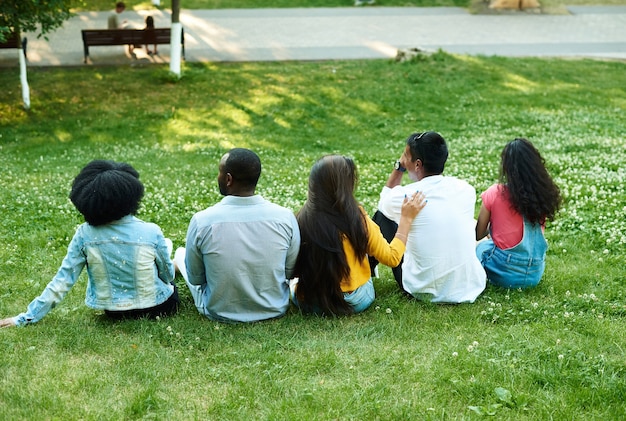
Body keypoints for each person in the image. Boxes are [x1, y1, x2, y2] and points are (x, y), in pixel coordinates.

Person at [0, 160, 179, 328]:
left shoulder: (84, 235)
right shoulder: (151, 231)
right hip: (160, 307)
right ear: (132, 196)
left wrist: (25, 318)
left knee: (161, 248)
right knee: (168, 251)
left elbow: (62, 282)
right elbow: (167, 275)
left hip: (114, 312)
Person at [173, 148, 301, 323]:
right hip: (275, 307)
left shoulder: (202, 221)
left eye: (220, 172)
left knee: (181, 253)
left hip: (218, 310)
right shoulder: (285, 217)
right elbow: (289, 270)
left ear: (228, 179)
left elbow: (196, 278)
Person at [291, 155, 426, 316]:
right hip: (356, 300)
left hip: (311, 302)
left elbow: (293, 269)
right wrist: (406, 219)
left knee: (295, 284)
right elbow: (392, 257)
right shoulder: (358, 219)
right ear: (347, 185)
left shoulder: (300, 220)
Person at [376, 131, 486, 303]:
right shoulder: (466, 189)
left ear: (418, 164)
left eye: (406, 156)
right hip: (469, 287)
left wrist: (399, 168)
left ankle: (362, 273)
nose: (404, 159)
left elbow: (384, 201)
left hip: (423, 289)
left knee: (382, 217)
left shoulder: (406, 196)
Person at [475, 138, 562, 289]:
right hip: (534, 274)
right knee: (491, 242)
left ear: (507, 167)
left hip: (504, 274)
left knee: (480, 248)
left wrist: (492, 227)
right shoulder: (541, 194)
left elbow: (478, 234)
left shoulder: (495, 193)